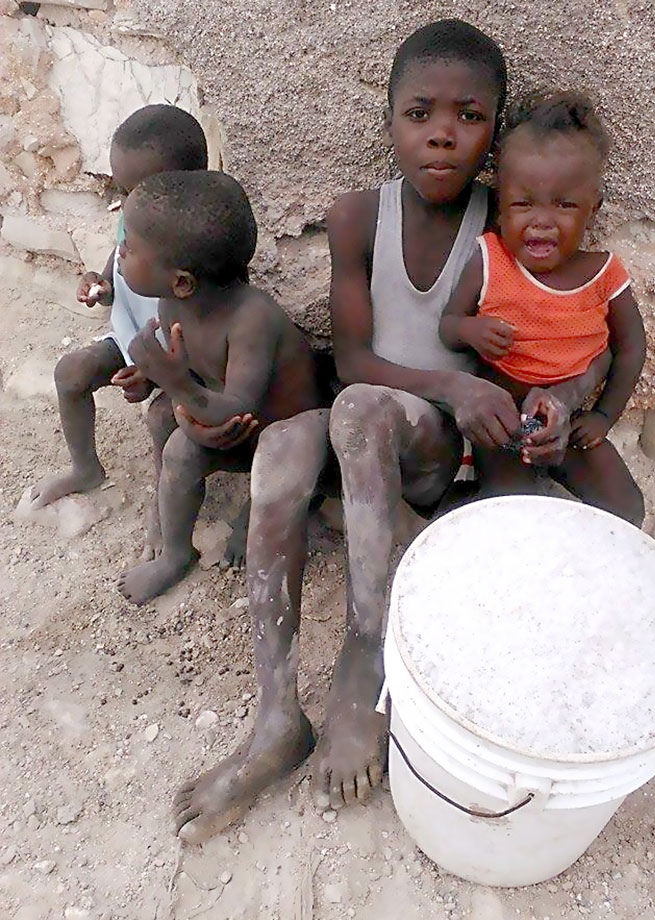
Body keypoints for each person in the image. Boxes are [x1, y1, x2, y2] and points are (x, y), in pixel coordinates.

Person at [173, 19, 548, 844]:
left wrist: (470, 395)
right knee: (282, 446)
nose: (442, 132)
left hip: (423, 445)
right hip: (359, 430)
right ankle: (277, 717)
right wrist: (447, 373)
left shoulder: (504, 222)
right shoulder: (356, 218)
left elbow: (523, 342)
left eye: (470, 116)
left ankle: (365, 658)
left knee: (358, 409)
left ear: (493, 131)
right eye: (419, 113)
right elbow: (352, 356)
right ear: (388, 121)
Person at [116, 170, 326, 605]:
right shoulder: (172, 299)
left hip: (278, 437)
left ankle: (192, 545)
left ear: (182, 280)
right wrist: (155, 377)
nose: (118, 252)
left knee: (181, 450)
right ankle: (172, 523)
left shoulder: (252, 319)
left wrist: (179, 389)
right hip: (225, 415)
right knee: (160, 418)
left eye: (130, 246)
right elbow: (191, 368)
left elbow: (238, 414)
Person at [440, 91, 645, 525]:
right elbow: (447, 325)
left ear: (594, 208)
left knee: (626, 509)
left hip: (569, 416)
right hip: (506, 419)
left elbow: (630, 350)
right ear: (500, 205)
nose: (542, 220)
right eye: (523, 203)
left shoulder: (604, 274)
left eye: (565, 204)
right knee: (509, 509)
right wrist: (469, 329)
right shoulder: (489, 259)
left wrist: (605, 415)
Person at [29, 106, 209, 542]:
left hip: (184, 361)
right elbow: (117, 260)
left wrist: (153, 374)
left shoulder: (199, 246)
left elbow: (195, 331)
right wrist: (102, 283)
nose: (126, 203)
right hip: (132, 338)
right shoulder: (133, 219)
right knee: (70, 373)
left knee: (163, 419)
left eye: (137, 190)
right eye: (121, 189)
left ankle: (165, 513)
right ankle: (85, 468)